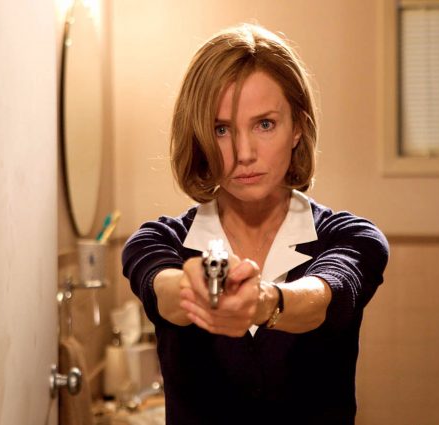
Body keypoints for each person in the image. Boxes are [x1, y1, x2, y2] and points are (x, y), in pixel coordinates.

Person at [122, 23, 389, 425]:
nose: (244, 153)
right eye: (221, 129)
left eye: (265, 124)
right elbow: (164, 291)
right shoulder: (160, 241)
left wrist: (266, 302)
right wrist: (196, 292)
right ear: (200, 137)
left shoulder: (350, 237)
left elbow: (327, 295)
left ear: (298, 127)